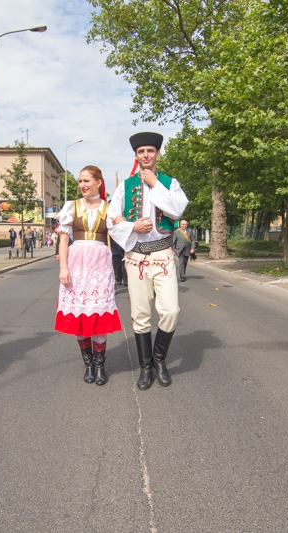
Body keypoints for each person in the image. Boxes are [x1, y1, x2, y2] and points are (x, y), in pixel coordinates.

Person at [108, 132, 189, 390]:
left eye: (150, 151)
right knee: (140, 314)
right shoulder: (125, 186)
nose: (146, 155)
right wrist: (132, 227)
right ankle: (146, 367)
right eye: (141, 151)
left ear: (157, 154)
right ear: (136, 155)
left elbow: (177, 210)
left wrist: (155, 184)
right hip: (136, 257)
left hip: (164, 255)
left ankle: (159, 359)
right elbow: (111, 220)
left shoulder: (169, 182)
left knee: (169, 312)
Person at [55, 165, 121, 385]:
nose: (82, 185)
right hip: (76, 264)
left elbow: (121, 233)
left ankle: (100, 366)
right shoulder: (71, 207)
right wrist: (63, 267)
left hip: (100, 264)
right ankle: (89, 365)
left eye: (87, 181)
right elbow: (64, 240)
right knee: (79, 316)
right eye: (80, 181)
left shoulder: (108, 208)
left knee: (98, 314)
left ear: (99, 182)